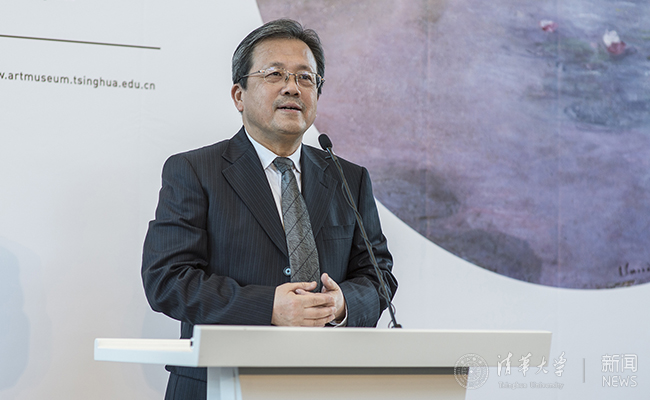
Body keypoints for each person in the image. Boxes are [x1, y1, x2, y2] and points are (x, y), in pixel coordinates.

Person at [141, 18, 397, 399]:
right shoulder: (194, 171)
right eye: (275, 74)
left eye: (306, 77)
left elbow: (379, 276)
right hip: (220, 384)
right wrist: (269, 307)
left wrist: (341, 303)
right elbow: (167, 279)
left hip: (326, 384)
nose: (292, 87)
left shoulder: (349, 178)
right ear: (239, 95)